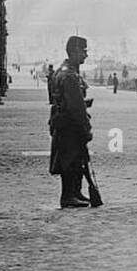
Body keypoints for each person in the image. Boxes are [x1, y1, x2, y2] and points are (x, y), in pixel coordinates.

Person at [49, 35, 93, 209]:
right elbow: (76, 107)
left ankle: (74, 192)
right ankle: (68, 195)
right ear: (74, 52)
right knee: (70, 159)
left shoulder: (64, 71)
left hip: (63, 121)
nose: (85, 55)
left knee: (74, 158)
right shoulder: (70, 75)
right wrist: (86, 127)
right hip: (70, 124)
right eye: (83, 51)